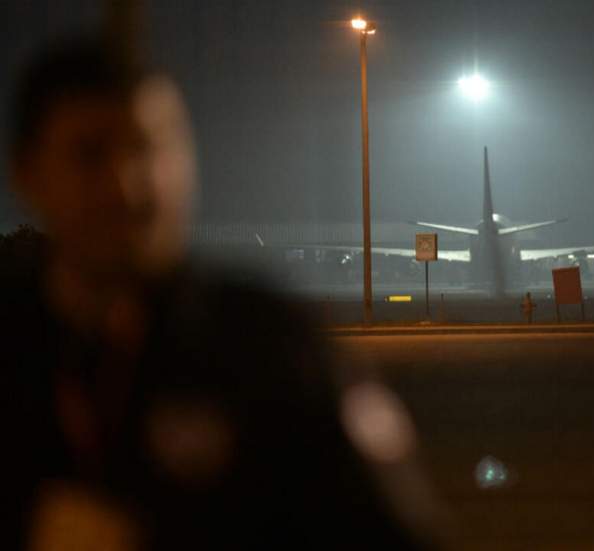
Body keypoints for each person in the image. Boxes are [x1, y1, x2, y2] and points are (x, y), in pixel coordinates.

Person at [1, 35, 444, 550]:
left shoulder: (274, 349)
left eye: (146, 147)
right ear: (25, 174)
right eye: (90, 154)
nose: (126, 184)